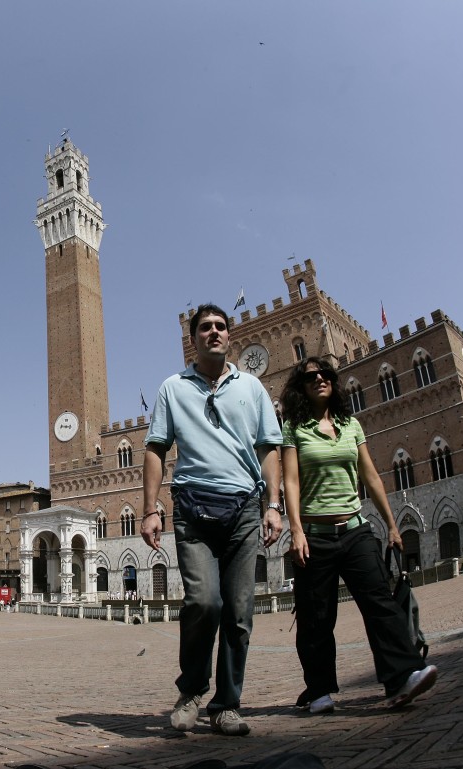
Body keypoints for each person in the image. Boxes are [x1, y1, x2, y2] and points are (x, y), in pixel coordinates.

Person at [141, 303, 283, 737]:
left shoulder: (252, 388)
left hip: (243, 508)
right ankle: (191, 691)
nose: (214, 333)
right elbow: (155, 447)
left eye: (221, 327)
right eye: (205, 328)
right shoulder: (172, 387)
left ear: (229, 337)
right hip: (192, 508)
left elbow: (269, 447)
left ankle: (227, 705)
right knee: (204, 603)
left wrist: (272, 504)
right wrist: (149, 508)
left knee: (239, 613)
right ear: (194, 338)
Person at [281, 357, 438, 714]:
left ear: (333, 382)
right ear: (301, 387)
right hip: (315, 535)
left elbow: (371, 476)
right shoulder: (294, 428)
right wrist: (296, 530)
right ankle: (319, 690)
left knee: (380, 603)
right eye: (310, 377)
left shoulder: (351, 424)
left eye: (324, 374)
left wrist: (392, 524)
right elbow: (289, 480)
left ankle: (401, 678)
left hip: (355, 529)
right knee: (317, 617)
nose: (319, 379)